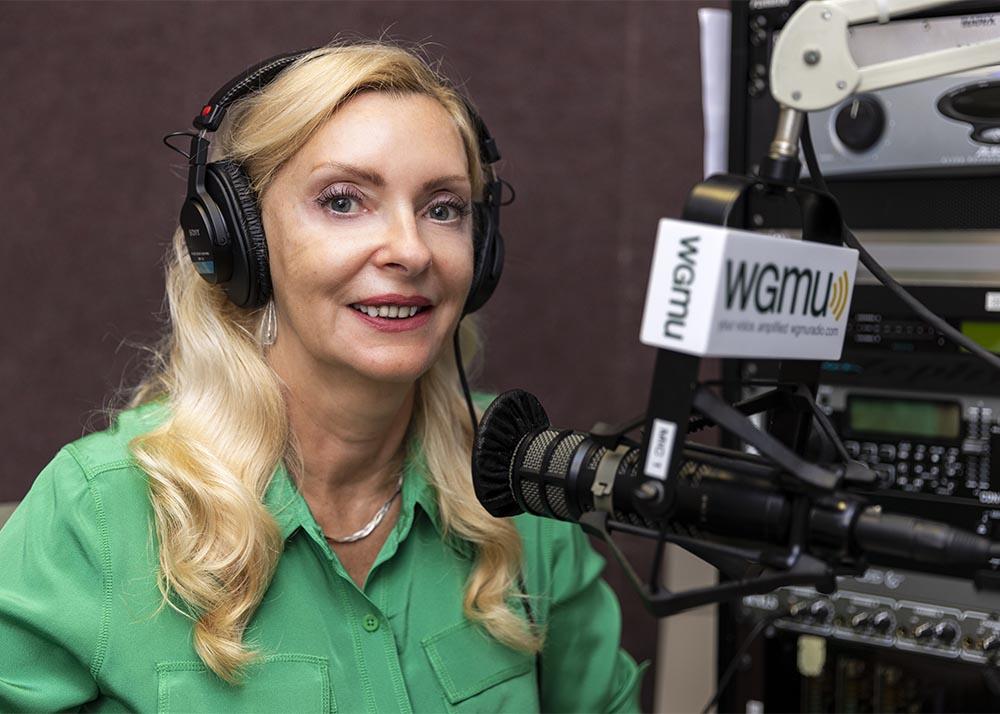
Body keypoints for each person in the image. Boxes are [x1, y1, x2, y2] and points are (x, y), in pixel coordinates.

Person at [0, 41, 646, 711]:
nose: (410, 249)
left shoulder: (521, 490)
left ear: (480, 257)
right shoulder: (99, 512)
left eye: (444, 208)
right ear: (238, 242)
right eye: (343, 201)